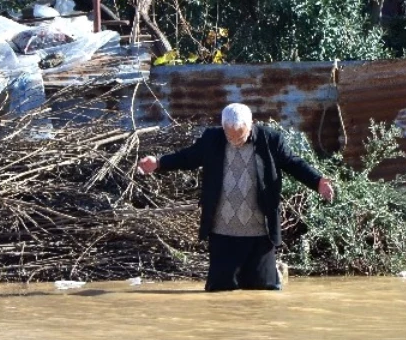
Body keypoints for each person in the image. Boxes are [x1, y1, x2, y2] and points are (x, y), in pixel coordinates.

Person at [137, 103, 335, 291]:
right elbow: (188, 157)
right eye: (230, 137)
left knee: (265, 293)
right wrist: (159, 163)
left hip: (259, 233)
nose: (235, 142)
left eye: (239, 137)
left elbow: (294, 164)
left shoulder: (270, 140)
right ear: (223, 128)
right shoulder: (212, 139)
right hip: (222, 232)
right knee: (219, 293)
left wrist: (317, 182)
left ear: (250, 125)